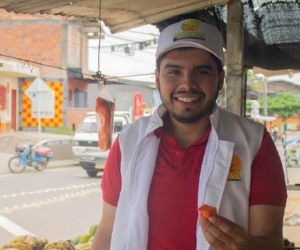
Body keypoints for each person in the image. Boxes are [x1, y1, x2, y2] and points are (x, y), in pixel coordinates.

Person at [91, 19, 287, 250]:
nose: (187, 84)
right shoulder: (129, 142)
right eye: (174, 71)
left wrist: (248, 246)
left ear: (220, 80)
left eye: (201, 72)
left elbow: (271, 239)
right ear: (157, 79)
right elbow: (107, 230)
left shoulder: (253, 143)